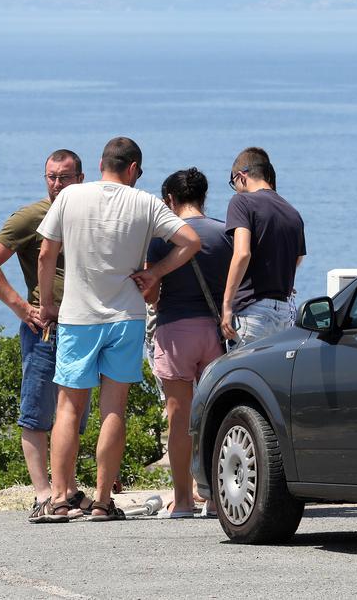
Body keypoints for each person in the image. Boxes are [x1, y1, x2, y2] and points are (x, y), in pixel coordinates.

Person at [35, 137, 202, 521]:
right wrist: (155, 273)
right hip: (126, 316)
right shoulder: (144, 202)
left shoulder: (70, 197)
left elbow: (46, 253)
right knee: (114, 408)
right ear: (133, 169)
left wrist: (47, 304)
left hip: (77, 316)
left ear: (99, 164)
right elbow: (190, 241)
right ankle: (101, 501)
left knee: (68, 408)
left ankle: (59, 498)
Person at [0, 149, 90, 523]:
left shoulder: (88, 214)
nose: (57, 184)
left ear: (81, 178)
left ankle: (66, 490)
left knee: (74, 413)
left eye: (64, 177)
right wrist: (24, 310)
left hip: (84, 324)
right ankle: (43, 494)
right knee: (36, 409)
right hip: (46, 329)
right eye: (51, 177)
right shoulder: (31, 217)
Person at [144, 168, 232, 518]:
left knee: (178, 420)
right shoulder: (224, 233)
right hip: (213, 331)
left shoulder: (162, 236)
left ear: (170, 200)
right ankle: (213, 498)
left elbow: (152, 293)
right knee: (214, 416)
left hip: (175, 330)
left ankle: (182, 501)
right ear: (203, 197)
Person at [221, 147, 306, 347]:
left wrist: (226, 304)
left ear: (241, 176)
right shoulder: (292, 212)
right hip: (284, 315)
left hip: (252, 312)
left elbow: (242, 254)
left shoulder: (241, 202)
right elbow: (298, 259)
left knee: (239, 376)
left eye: (234, 183)